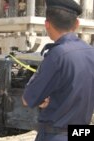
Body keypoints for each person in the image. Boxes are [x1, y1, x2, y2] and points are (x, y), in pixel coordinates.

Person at [22, 0, 94, 141]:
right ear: (77, 24)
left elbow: (27, 99)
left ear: (47, 24)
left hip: (56, 135)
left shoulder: (57, 55)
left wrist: (43, 98)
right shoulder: (91, 52)